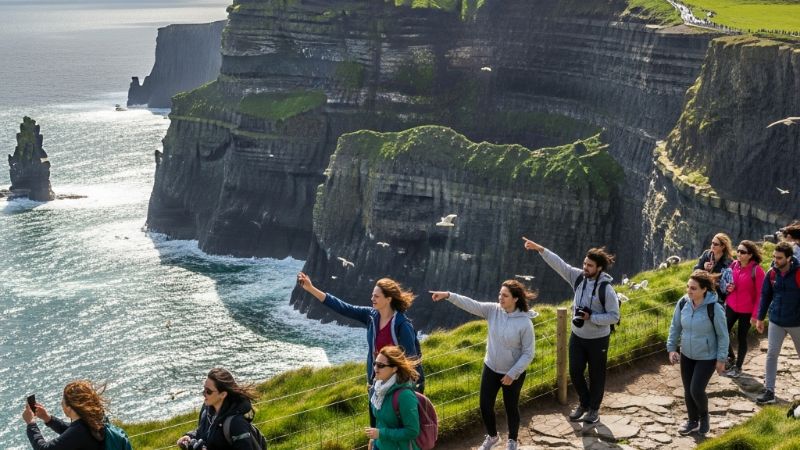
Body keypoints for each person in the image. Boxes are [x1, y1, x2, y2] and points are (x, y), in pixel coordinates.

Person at [296, 272, 424, 431]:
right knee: (375, 429)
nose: (372, 299)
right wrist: (311, 288)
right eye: (372, 295)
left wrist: (415, 389)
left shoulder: (402, 325)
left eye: (376, 296)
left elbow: (412, 360)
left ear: (389, 299)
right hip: (376, 385)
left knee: (393, 431)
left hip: (396, 388)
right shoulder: (371, 316)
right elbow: (343, 307)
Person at [430, 280, 536, 450]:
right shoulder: (493, 310)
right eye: (500, 294)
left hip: (512, 372)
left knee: (511, 406)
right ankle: (493, 437)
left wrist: (513, 373)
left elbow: (528, 353)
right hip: (491, 368)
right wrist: (448, 295)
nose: (500, 298)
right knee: (485, 404)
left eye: (505, 295)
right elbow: (471, 304)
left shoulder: (525, 323)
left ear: (516, 298)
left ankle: (512, 441)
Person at [523, 238, 620, 424]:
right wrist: (539, 248)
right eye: (584, 263)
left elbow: (614, 317)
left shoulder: (606, 289)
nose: (585, 267)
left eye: (589, 265)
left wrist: (591, 318)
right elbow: (559, 264)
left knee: (596, 375)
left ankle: (593, 409)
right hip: (578, 335)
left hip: (598, 338)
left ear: (599, 268)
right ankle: (584, 403)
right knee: (575, 371)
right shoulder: (578, 277)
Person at [667, 270, 728, 436]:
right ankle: (692, 421)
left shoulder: (714, 308)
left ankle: (704, 417)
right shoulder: (683, 303)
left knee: (696, 390)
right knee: (688, 390)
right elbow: (675, 327)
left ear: (704, 290)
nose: (689, 291)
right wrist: (671, 348)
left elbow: (723, 335)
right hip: (686, 354)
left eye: (693, 288)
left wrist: (721, 359)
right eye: (688, 287)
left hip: (707, 356)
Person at [755, 241, 800, 405]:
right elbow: (765, 296)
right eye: (774, 256)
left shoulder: (799, 273)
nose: (775, 260)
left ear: (789, 258)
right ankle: (770, 391)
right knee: (771, 355)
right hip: (776, 321)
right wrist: (760, 318)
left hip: (797, 323)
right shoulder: (771, 274)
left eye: (779, 258)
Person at [177, 368, 257, 450]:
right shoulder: (206, 409)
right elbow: (203, 432)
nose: (204, 394)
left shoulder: (237, 422)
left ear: (223, 394)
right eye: (204, 389)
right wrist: (189, 437)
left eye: (208, 391)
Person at [722, 240, 765, 377]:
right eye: (738, 251)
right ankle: (730, 357)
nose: (738, 254)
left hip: (747, 310)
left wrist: (756, 315)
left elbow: (761, 294)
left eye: (743, 252)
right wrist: (729, 287)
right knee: (723, 332)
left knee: (742, 337)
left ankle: (738, 367)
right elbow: (728, 283)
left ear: (750, 255)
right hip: (731, 306)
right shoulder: (734, 265)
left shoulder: (757, 270)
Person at [365, 346, 421, 450]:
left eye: (381, 365)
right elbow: (379, 420)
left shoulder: (405, 396)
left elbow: (412, 431)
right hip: (379, 445)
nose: (375, 368)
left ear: (394, 368)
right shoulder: (377, 389)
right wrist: (374, 439)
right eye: (375, 363)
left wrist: (380, 434)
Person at [23, 381, 107, 450]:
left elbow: (42, 449)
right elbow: (69, 432)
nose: (61, 403)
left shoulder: (79, 430)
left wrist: (31, 424)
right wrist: (48, 418)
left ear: (69, 406)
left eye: (63, 399)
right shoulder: (91, 421)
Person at [693, 233, 734, 302]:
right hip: (702, 292)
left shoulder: (729, 262)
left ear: (722, 246)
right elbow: (695, 272)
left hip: (719, 297)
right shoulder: (706, 255)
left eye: (716, 244)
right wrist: (704, 268)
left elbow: (730, 281)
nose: (712, 246)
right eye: (712, 243)